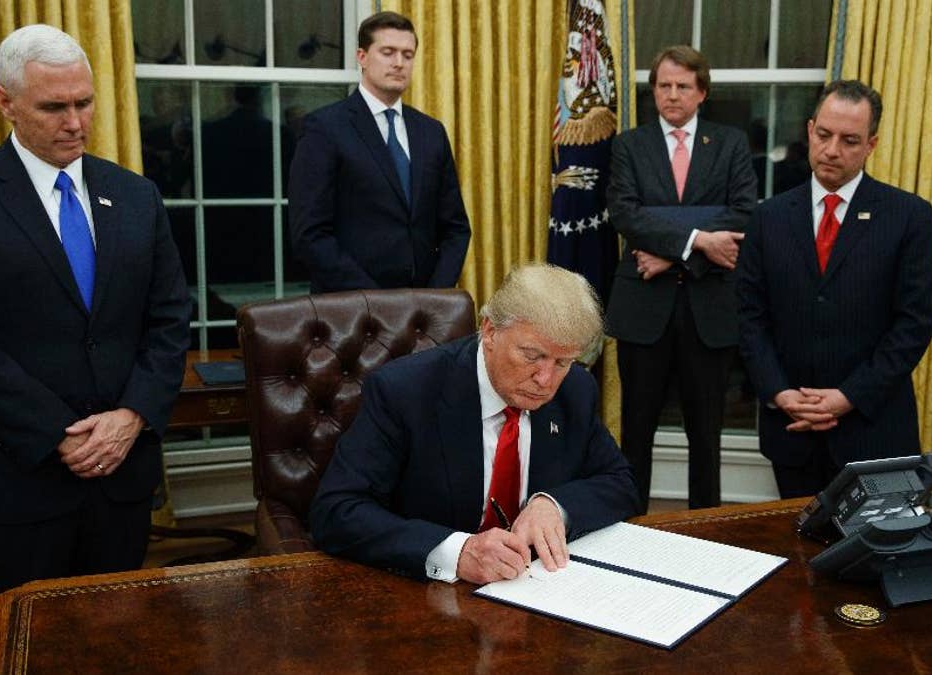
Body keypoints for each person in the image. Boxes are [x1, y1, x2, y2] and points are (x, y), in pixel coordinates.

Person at [0, 24, 190, 610]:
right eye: (54, 106)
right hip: (9, 482)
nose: (76, 123)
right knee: (11, 649)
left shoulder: (136, 195)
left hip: (120, 477)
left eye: (84, 102)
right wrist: (56, 434)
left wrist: (132, 415)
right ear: (6, 103)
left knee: (112, 646)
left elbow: (168, 319)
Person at [310, 264, 639, 584]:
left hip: (535, 587)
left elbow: (620, 482)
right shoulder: (404, 392)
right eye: (532, 355)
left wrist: (553, 505)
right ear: (490, 331)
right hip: (427, 596)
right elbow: (337, 512)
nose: (546, 379)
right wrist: (457, 551)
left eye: (563, 362)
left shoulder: (575, 391)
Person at [736, 80, 932, 498]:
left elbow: (914, 324)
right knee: (798, 556)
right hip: (791, 429)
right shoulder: (768, 217)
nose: (832, 150)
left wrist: (848, 396)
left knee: (874, 559)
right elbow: (749, 317)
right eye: (824, 135)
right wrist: (779, 392)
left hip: (873, 429)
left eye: (849, 140)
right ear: (810, 130)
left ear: (871, 144)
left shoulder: (909, 217)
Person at [605, 46, 757, 509]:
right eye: (664, 86)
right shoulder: (630, 144)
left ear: (702, 92)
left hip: (708, 307)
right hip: (643, 309)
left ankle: (704, 534)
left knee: (705, 436)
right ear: (654, 91)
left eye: (683, 86)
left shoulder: (729, 143)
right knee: (637, 432)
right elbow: (626, 214)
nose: (672, 95)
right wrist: (700, 237)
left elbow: (743, 214)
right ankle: (630, 532)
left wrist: (673, 254)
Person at [288, 11, 471, 293]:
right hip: (352, 310)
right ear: (362, 57)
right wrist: (377, 302)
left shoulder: (431, 131)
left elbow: (456, 228)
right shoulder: (324, 128)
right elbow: (310, 234)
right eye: (388, 52)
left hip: (425, 311)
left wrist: (435, 295)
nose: (399, 63)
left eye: (408, 55)